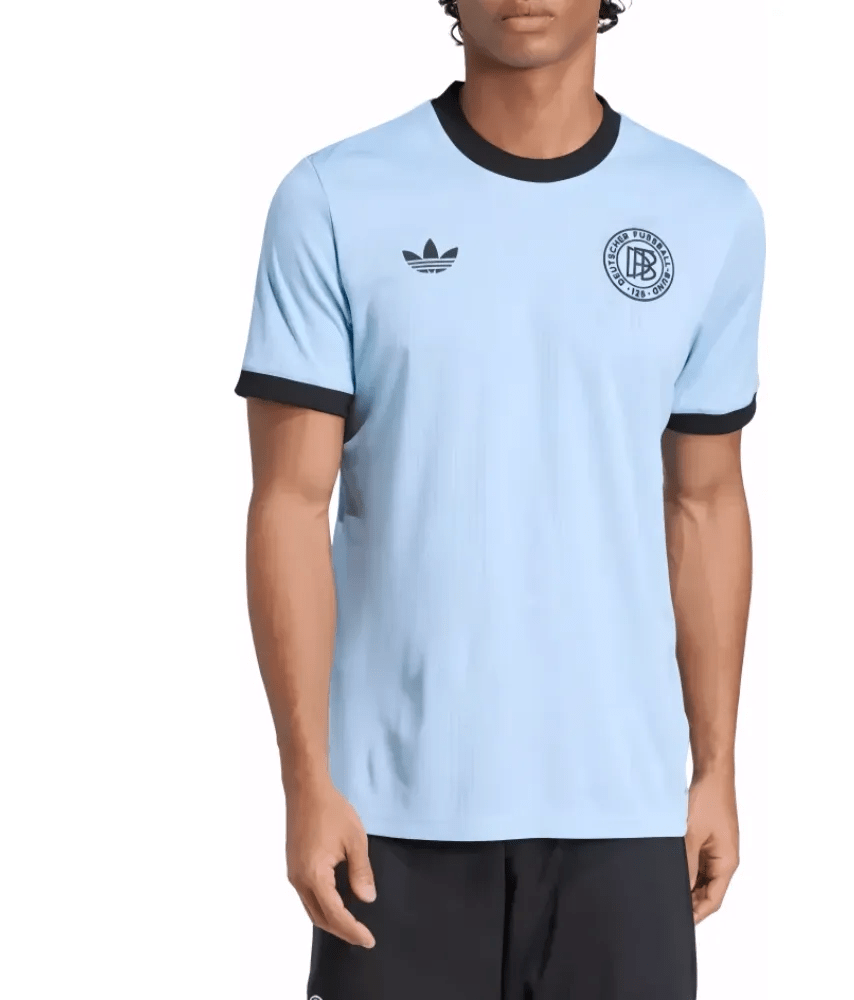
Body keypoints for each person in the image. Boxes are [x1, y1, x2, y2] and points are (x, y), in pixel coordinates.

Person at [235, 1, 765, 996]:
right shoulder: (336, 198)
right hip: (390, 821)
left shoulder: (709, 213)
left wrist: (716, 767)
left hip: (626, 815)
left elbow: (705, 502)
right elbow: (290, 504)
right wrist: (306, 781)